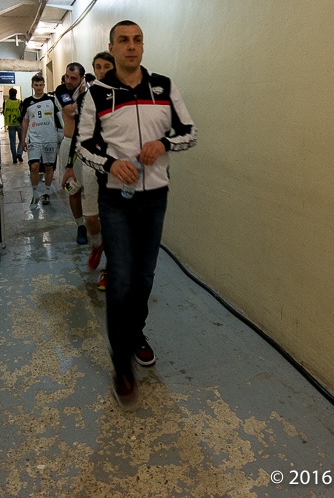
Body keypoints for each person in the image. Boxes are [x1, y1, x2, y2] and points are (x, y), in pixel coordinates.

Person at [75, 21, 197, 403]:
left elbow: (189, 131)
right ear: (111, 47)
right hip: (116, 200)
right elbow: (82, 145)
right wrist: (110, 164)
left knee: (144, 276)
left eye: (137, 40)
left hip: (155, 197)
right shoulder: (97, 92)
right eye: (123, 41)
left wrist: (163, 144)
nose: (131, 47)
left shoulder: (164, 86)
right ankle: (121, 363)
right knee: (122, 278)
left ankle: (136, 333)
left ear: (143, 46)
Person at [63, 52, 115, 289]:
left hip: (117, 168)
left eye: (107, 66)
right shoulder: (86, 98)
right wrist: (68, 166)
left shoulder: (124, 95)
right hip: (90, 164)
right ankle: (97, 244)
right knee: (92, 218)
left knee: (115, 222)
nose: (103, 71)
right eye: (98, 67)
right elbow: (78, 134)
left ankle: (109, 270)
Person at [55, 63, 87, 245]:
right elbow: (72, 111)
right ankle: (80, 225)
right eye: (67, 76)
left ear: (82, 78)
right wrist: (83, 95)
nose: (68, 80)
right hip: (70, 144)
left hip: (89, 146)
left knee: (94, 188)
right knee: (73, 187)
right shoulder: (61, 91)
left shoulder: (90, 90)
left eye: (73, 78)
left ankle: (96, 223)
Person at [19, 74, 61, 206]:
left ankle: (47, 192)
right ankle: (35, 193)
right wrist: (23, 139)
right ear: (32, 85)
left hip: (50, 138)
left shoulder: (52, 100)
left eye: (40, 85)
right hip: (34, 138)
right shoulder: (27, 102)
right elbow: (25, 121)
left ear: (44, 85)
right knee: (34, 166)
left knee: (49, 167)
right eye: (36, 85)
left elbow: (60, 117)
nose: (38, 87)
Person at [2, 88, 23, 164]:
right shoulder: (19, 102)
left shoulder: (6, 102)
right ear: (16, 93)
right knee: (22, 139)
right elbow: (23, 112)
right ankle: (19, 153)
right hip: (19, 124)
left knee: (12, 142)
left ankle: (14, 158)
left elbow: (4, 113)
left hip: (10, 124)